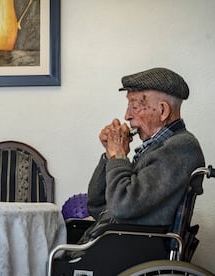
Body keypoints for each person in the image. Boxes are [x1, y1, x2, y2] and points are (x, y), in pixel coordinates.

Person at [80, 67, 205, 243]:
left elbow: (122, 206)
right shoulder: (155, 147)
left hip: (128, 250)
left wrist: (119, 157)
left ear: (163, 111)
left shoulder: (181, 148)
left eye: (135, 106)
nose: (127, 115)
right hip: (110, 243)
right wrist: (110, 155)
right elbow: (96, 205)